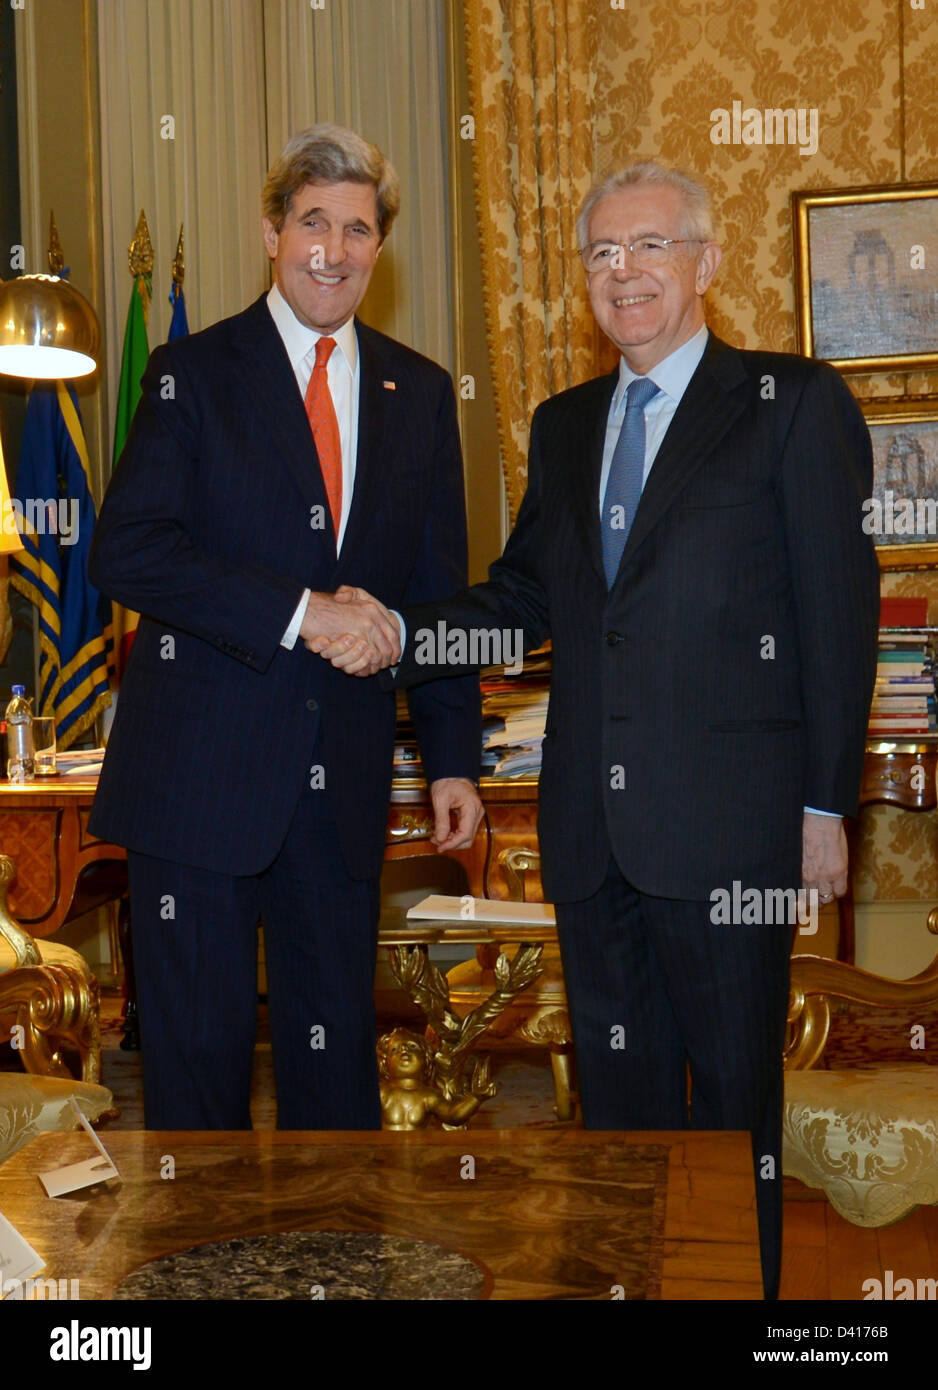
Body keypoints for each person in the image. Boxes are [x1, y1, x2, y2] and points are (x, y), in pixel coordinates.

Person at [315, 162, 880, 1299]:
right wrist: (395, 634)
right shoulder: (565, 424)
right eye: (601, 254)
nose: (622, 274)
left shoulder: (789, 403)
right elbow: (524, 602)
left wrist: (826, 809)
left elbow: (837, 618)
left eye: (648, 248)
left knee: (730, 1114)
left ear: (706, 264)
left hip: (732, 843)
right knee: (618, 1120)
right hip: (591, 838)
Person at [89, 123, 484, 1131]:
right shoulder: (191, 374)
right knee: (197, 1077)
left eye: (357, 228)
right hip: (196, 793)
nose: (333, 248)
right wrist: (299, 612)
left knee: (334, 1076)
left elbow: (436, 595)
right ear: (271, 231)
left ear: (376, 249)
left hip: (338, 791)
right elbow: (127, 551)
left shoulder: (421, 393)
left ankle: (335, 1283)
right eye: (313, 220)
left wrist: (450, 760)